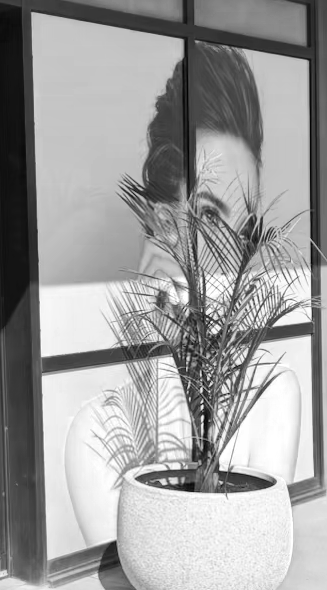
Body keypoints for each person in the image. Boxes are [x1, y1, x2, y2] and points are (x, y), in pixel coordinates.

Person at [63, 45, 304, 548]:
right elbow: (144, 557)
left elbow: (250, 545)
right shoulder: (97, 436)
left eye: (241, 233)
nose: (231, 263)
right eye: (210, 219)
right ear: (161, 223)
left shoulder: (272, 396)